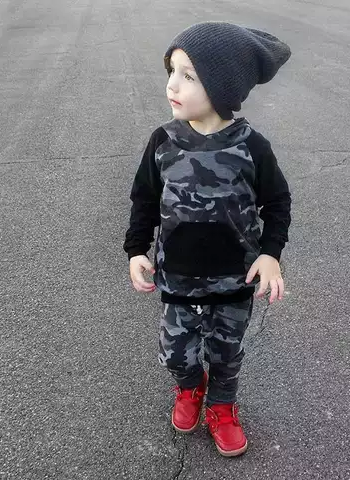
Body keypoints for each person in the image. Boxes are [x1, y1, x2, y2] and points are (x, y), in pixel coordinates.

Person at [123, 21, 291, 457]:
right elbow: (144, 198)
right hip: (177, 278)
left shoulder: (251, 146)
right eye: (172, 71)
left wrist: (271, 255)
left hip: (234, 281)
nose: (172, 85)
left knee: (226, 355)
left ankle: (221, 405)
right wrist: (136, 249)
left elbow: (277, 202)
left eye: (189, 76)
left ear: (222, 86)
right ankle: (189, 387)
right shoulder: (163, 141)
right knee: (176, 353)